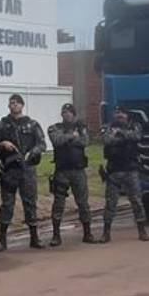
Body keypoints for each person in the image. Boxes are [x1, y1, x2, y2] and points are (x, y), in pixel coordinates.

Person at [0, 93, 47, 251]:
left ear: (22, 105)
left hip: (27, 168)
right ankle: (2, 240)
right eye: (11, 104)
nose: (13, 106)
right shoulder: (1, 124)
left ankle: (34, 238)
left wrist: (33, 151)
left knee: (30, 203)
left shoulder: (32, 124)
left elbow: (42, 143)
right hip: (9, 170)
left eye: (16, 103)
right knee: (7, 204)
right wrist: (3, 143)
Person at [46, 103, 95, 246]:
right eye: (64, 112)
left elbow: (85, 142)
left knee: (83, 203)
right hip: (62, 171)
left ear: (74, 114)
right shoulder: (55, 128)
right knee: (58, 204)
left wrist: (68, 139)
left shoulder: (81, 127)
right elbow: (56, 141)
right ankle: (56, 235)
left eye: (69, 112)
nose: (67, 114)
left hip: (78, 171)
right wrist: (71, 136)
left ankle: (87, 233)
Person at [101, 106, 149, 243]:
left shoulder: (135, 125)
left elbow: (136, 136)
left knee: (136, 201)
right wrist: (124, 136)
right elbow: (106, 140)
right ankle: (106, 232)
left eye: (122, 113)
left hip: (131, 169)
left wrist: (120, 134)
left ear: (127, 115)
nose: (119, 115)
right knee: (111, 203)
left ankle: (142, 230)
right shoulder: (108, 127)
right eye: (117, 113)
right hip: (114, 170)